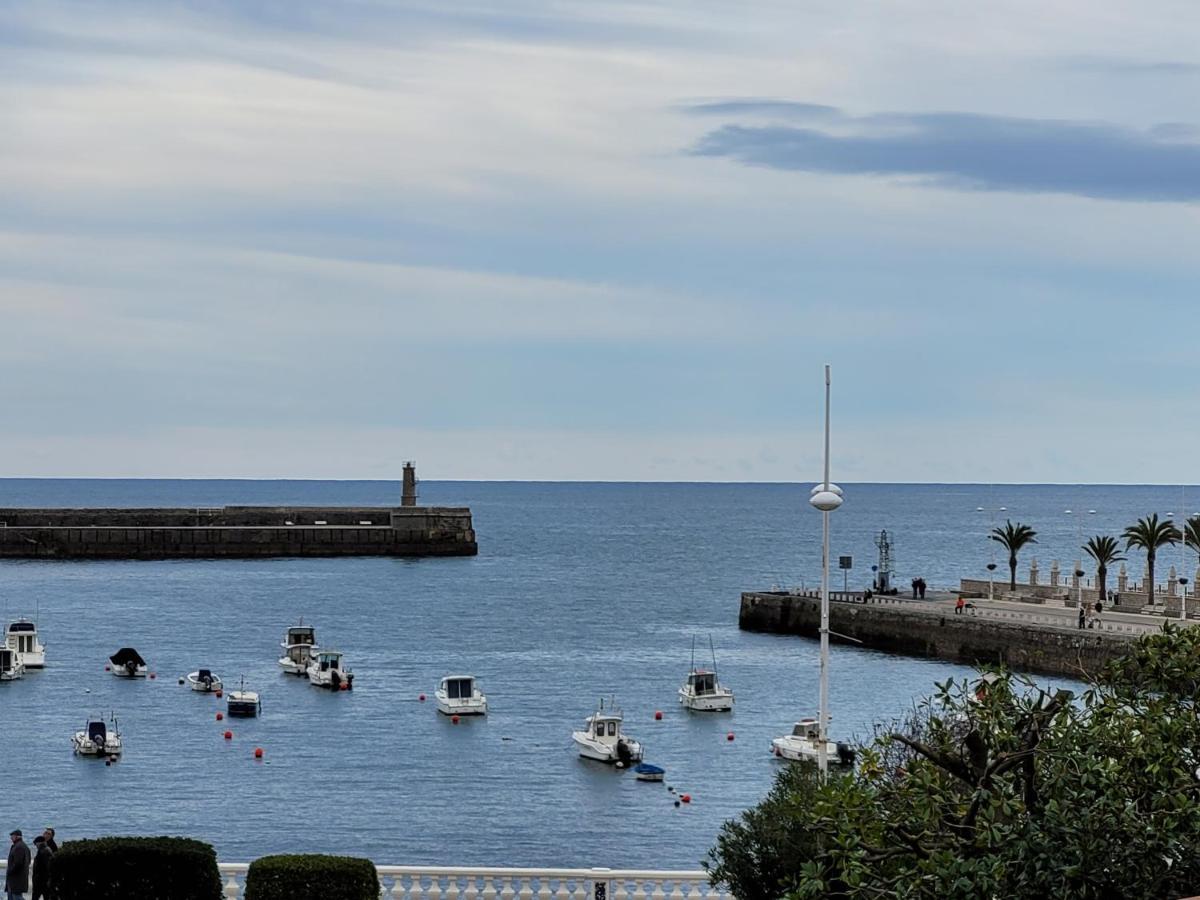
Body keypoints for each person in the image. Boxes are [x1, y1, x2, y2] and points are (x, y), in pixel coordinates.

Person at [7, 829, 31, 900]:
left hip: (16, 879)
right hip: (19, 878)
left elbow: (18, 863)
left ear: (17, 837)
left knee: (17, 897)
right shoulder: (23, 846)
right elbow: (28, 861)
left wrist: (10, 871)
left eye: (12, 836)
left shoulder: (18, 847)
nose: (11, 838)